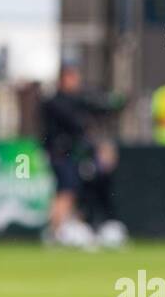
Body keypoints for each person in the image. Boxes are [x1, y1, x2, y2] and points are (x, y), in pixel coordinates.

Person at [40, 63, 125, 247]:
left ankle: (64, 229)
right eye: (72, 77)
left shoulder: (75, 100)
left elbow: (97, 108)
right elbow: (76, 122)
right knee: (66, 190)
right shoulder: (55, 102)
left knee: (73, 190)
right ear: (64, 79)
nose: (76, 81)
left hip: (70, 154)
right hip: (59, 154)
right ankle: (54, 232)